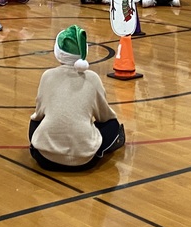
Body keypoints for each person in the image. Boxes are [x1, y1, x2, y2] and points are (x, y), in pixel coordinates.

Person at [29, 25, 125, 171]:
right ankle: (94, 147)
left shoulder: (47, 76)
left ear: (58, 52)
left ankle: (46, 145)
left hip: (44, 158)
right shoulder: (92, 79)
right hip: (84, 161)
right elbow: (104, 116)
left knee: (36, 121)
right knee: (112, 124)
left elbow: (39, 113)